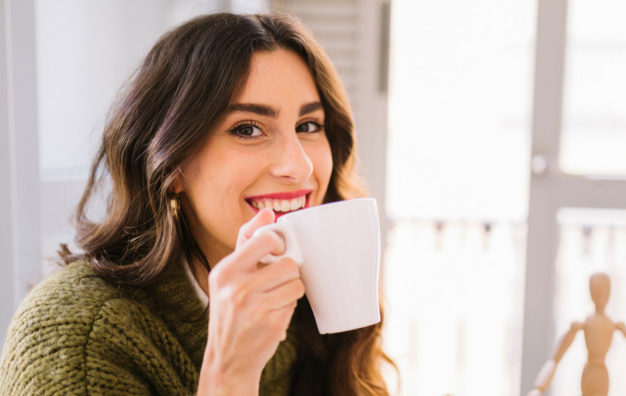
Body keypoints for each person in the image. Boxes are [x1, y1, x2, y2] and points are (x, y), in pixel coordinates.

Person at [0, 13, 394, 396]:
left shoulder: (312, 300)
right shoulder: (79, 336)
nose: (300, 166)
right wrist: (230, 373)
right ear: (171, 165)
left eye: (308, 126)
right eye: (248, 129)